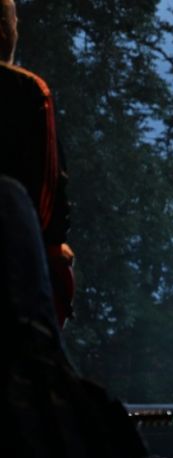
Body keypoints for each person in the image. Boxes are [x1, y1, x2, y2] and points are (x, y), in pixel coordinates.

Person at [0, 0, 74, 327]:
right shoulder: (27, 90)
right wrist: (53, 242)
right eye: (14, 23)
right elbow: (49, 181)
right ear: (4, 31)